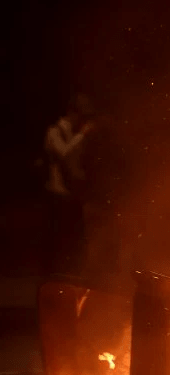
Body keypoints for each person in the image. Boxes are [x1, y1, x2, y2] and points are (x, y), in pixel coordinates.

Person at [43, 94, 96, 276]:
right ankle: (54, 285)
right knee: (59, 246)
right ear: (72, 113)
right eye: (82, 116)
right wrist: (82, 135)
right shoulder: (54, 132)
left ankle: (73, 284)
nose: (83, 121)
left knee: (77, 246)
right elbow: (65, 155)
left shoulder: (74, 134)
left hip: (73, 198)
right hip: (58, 198)